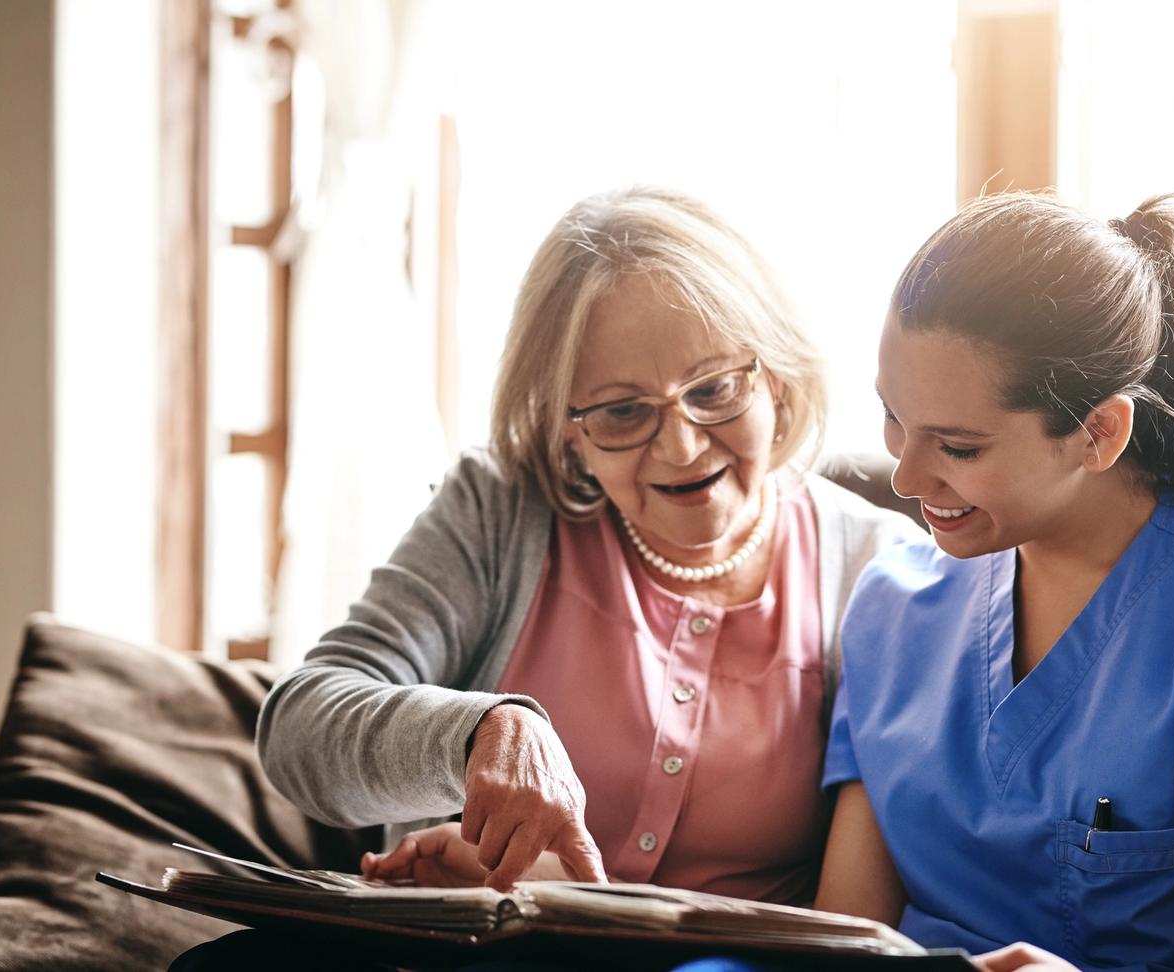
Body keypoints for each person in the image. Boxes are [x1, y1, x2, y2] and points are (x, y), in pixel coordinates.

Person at [256, 185, 921, 898]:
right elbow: (298, 731)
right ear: (567, 428)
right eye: (623, 411)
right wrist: (479, 732)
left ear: (779, 379)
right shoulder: (499, 511)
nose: (682, 445)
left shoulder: (878, 568)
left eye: (715, 388)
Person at [802, 192, 1174, 971]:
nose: (907, 476)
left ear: (1099, 433)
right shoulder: (891, 608)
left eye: (957, 445)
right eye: (893, 420)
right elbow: (843, 941)